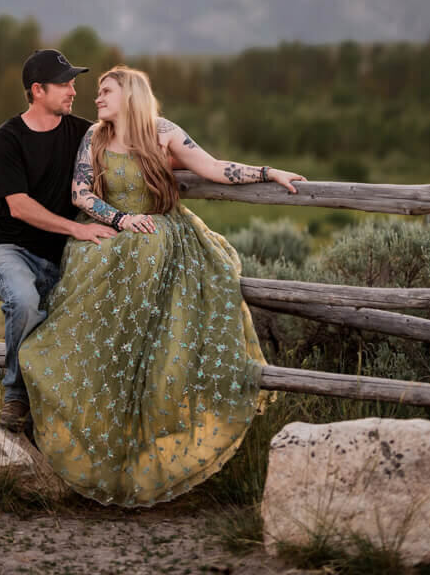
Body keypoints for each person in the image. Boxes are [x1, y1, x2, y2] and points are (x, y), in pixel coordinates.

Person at [20, 65, 306, 507]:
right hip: (114, 233)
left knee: (157, 272)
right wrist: (120, 218)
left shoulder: (164, 133)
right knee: (95, 304)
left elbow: (214, 167)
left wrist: (268, 172)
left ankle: (157, 428)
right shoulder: (95, 136)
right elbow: (80, 194)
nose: (97, 98)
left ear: (130, 94)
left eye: (106, 91)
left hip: (162, 233)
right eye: (98, 92)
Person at [0, 49, 115, 430]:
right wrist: (77, 228)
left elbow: (133, 141)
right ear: (37, 90)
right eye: (64, 85)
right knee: (24, 301)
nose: (73, 91)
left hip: (61, 256)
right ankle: (16, 397)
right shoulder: (8, 137)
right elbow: (19, 206)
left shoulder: (83, 133)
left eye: (73, 83)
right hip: (11, 250)